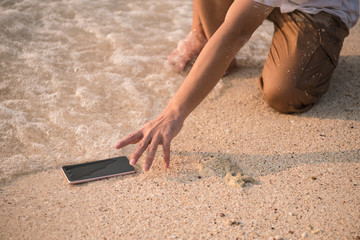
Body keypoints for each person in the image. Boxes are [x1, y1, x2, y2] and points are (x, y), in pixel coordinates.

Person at [114, 0, 359, 171]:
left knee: (285, 93)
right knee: (222, 53)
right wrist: (200, 30)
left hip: (315, 9)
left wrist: (173, 113)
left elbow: (237, 32)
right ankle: (203, 35)